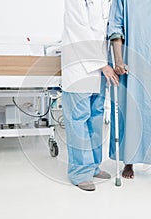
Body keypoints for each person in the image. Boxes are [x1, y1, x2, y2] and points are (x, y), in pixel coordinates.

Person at [108, 0, 151, 195]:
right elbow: (116, 31)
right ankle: (128, 161)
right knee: (130, 113)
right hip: (130, 65)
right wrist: (119, 62)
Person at [61, 0, 119, 191]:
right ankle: (80, 173)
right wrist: (103, 65)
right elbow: (79, 30)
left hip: (100, 69)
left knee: (95, 119)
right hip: (79, 67)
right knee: (79, 119)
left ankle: (93, 166)